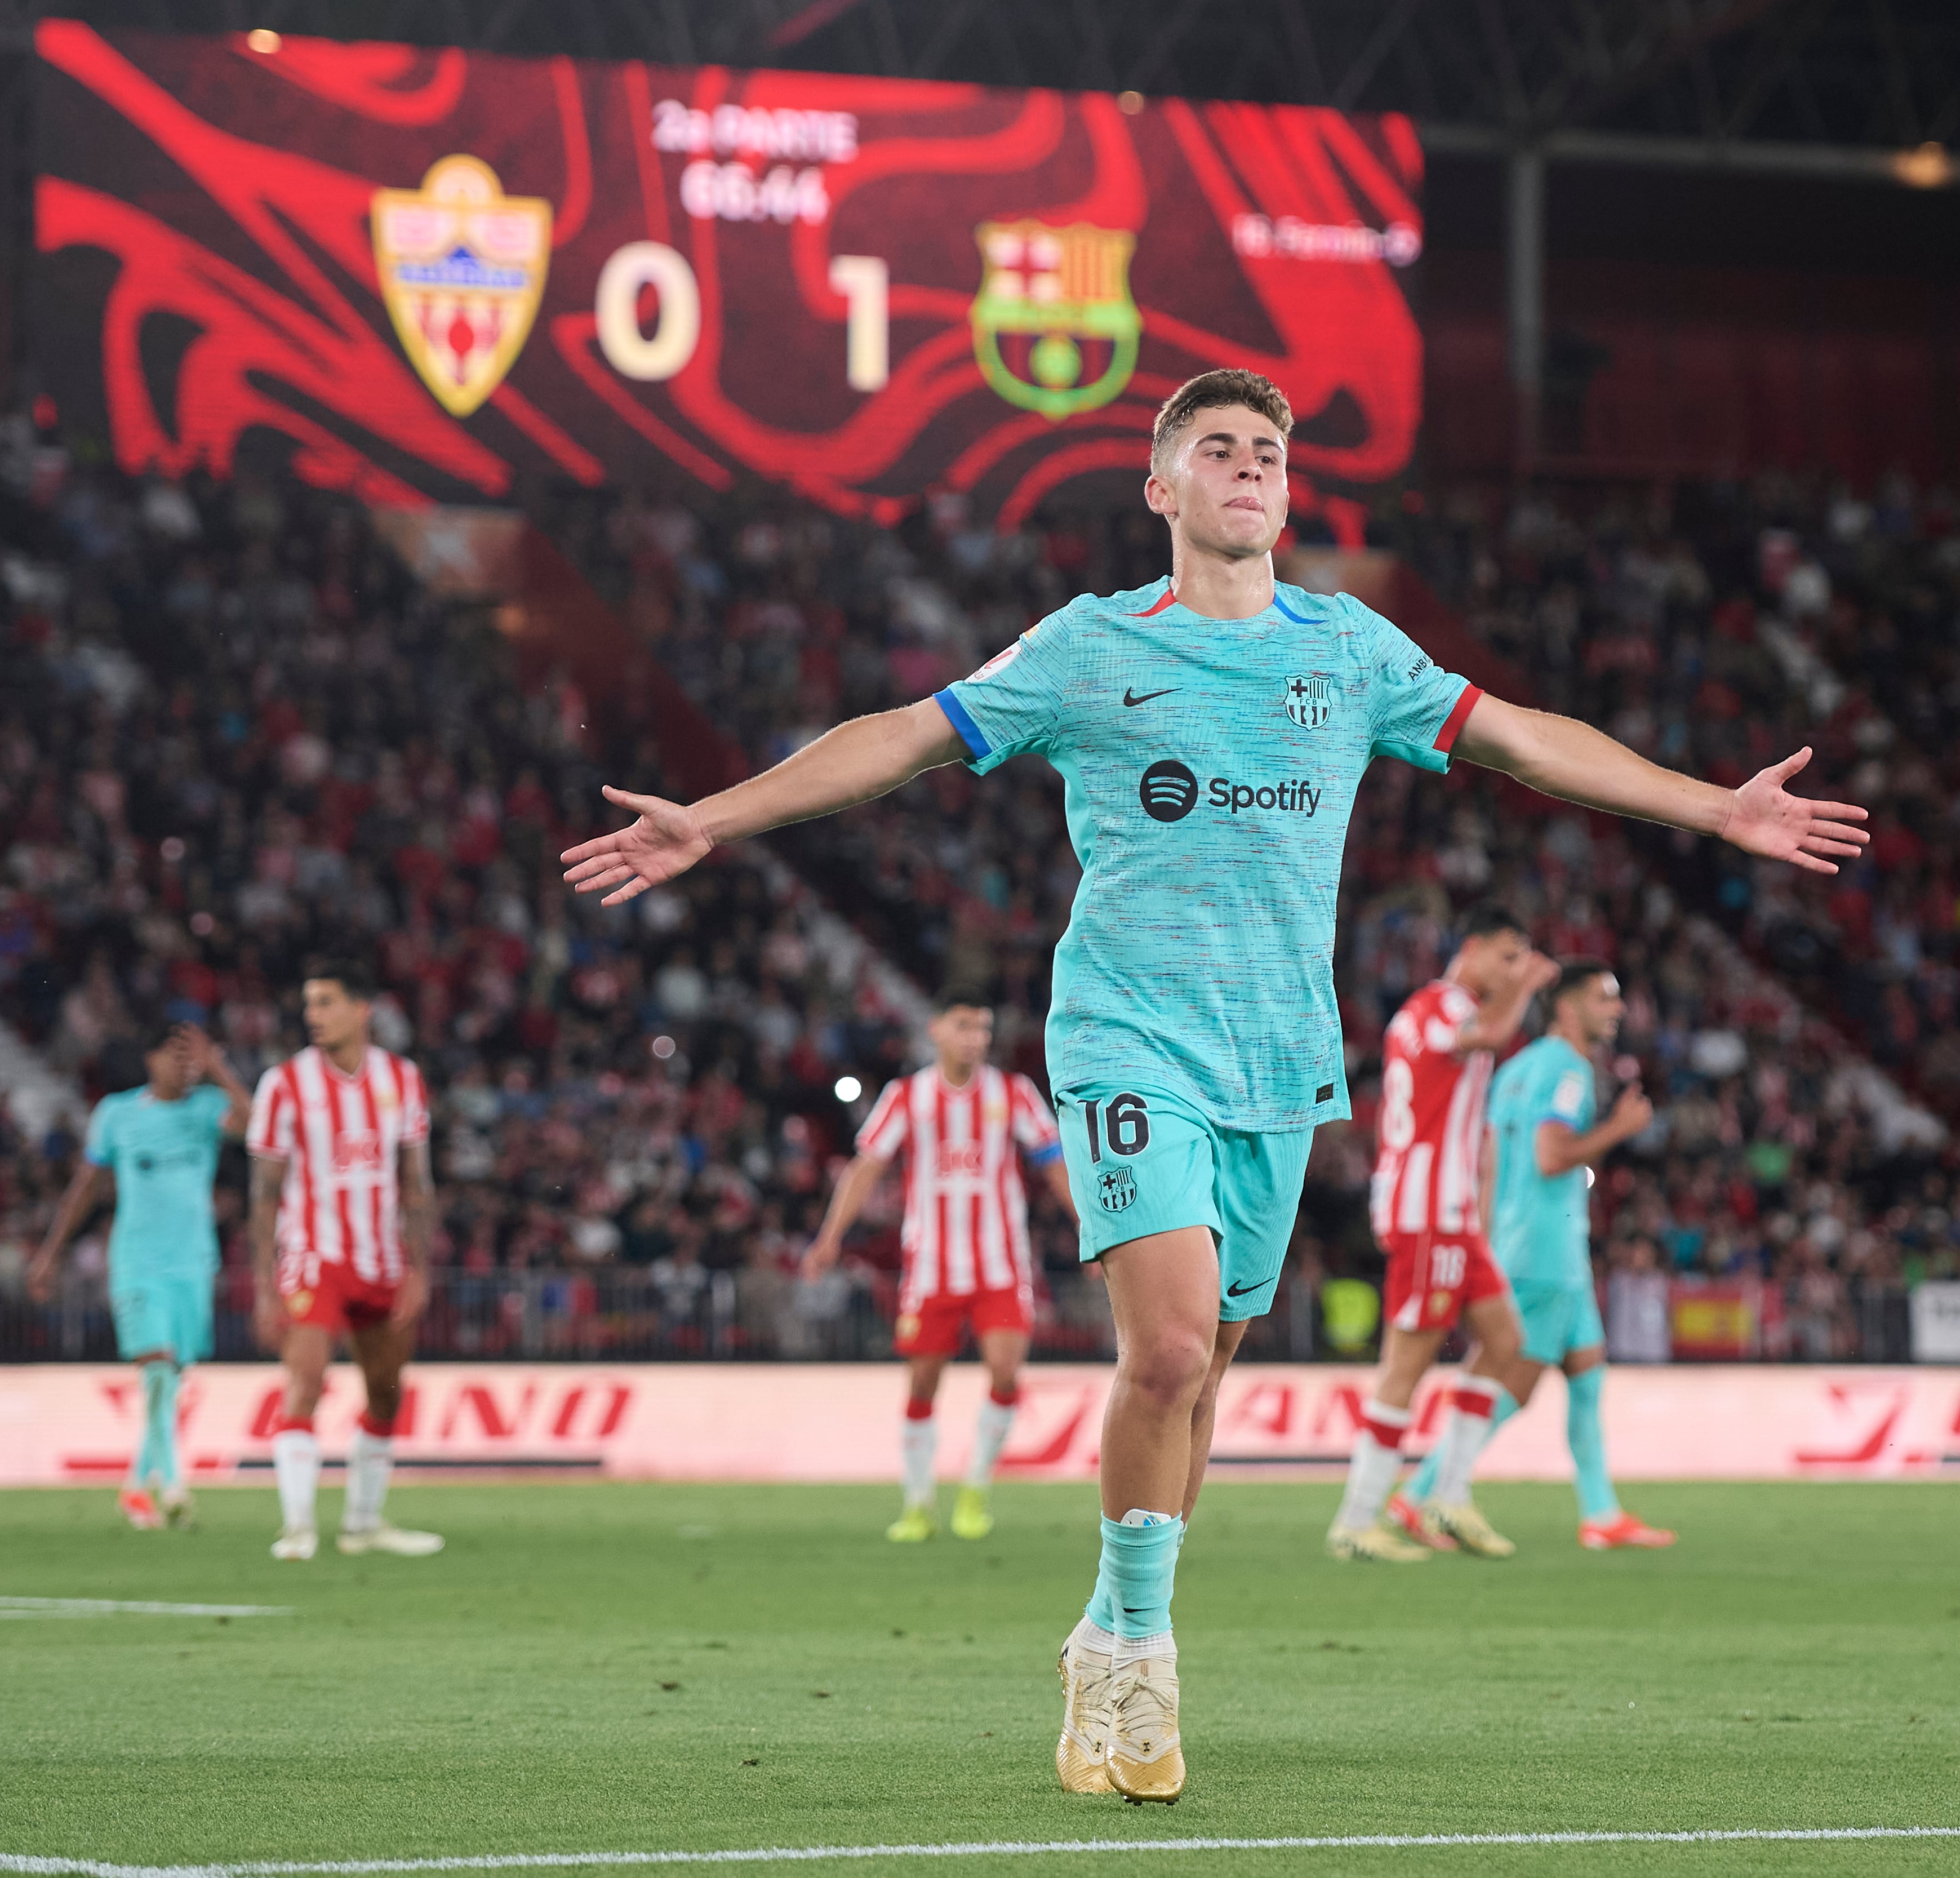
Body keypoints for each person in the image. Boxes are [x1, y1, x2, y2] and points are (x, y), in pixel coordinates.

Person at [557, 368, 1866, 1801]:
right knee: (1170, 1351)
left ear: (1287, 492)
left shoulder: (1350, 650)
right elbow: (911, 733)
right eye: (1219, 450)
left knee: (1214, 1367)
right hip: (1126, 1037)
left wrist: (1710, 804)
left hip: (1280, 1059)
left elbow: (1523, 738)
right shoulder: (1088, 646)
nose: (1251, 466)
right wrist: (720, 819)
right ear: (1163, 490)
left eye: (1269, 452)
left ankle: (1113, 1622)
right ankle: (1136, 1651)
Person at [1401, 961, 1674, 1550]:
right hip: (1548, 1253)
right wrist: (1620, 1129)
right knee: (1512, 1390)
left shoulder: (1515, 1068)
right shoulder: (1570, 1070)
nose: (1617, 1010)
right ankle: (1414, 1497)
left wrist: (1488, 1237)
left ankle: (1600, 1513)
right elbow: (1552, 1156)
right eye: (1605, 999)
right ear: (1568, 1009)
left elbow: (1490, 1162)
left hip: (1522, 1244)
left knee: (1587, 1375)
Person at [805, 989, 1075, 1544]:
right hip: (930, 1265)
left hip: (1000, 1263)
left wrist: (1090, 1230)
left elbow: (1052, 1163)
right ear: (935, 1030)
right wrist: (830, 1236)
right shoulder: (906, 1097)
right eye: (964, 1026)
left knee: (1004, 1372)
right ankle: (918, 1502)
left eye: (983, 1028)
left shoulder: (1013, 1093)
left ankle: (975, 1489)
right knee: (923, 1382)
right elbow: (865, 1168)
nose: (976, 1038)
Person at [1326, 904, 1553, 1563]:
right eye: (1508, 956)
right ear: (1473, 949)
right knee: (1407, 1364)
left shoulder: (1454, 1013)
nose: (1515, 970)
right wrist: (1528, 987)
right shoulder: (1442, 1006)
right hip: (1424, 1214)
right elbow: (1487, 1037)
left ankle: (1448, 1495)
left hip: (1451, 1216)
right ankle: (1357, 1517)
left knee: (1506, 1340)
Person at [246, 961, 444, 1562]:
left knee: (386, 1393)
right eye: (309, 1004)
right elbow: (264, 1193)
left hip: (381, 1260)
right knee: (305, 1379)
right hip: (314, 1256)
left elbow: (417, 1183)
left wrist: (419, 1268)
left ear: (363, 1010)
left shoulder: (403, 1079)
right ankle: (298, 1528)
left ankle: (363, 1524)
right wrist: (262, 1285)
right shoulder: (283, 1083)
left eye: (326, 1002)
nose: (314, 1015)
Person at [27, 1021, 252, 1530]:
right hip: (137, 1262)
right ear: (150, 1059)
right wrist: (49, 1254)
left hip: (193, 1262)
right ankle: (173, 1486)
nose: (186, 1065)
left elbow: (258, 1125)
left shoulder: (207, 1108)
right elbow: (86, 1186)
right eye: (177, 1055)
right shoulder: (118, 1114)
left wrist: (219, 1068)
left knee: (170, 1379)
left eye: (192, 1057)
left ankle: (135, 1487)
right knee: (157, 1368)